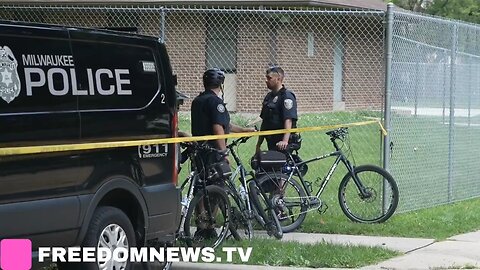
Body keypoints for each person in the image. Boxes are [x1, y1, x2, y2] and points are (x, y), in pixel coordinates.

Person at [190, 67, 254, 240]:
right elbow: (218, 128)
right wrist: (223, 151)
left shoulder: (197, 101)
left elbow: (226, 124)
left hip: (198, 151)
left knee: (200, 187)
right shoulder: (216, 102)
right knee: (218, 187)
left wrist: (244, 130)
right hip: (213, 152)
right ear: (221, 84)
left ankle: (200, 225)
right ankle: (209, 225)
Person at [256, 66, 298, 153]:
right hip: (271, 140)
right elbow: (265, 121)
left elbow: (288, 119)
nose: (266, 80)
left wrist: (285, 141)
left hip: (282, 142)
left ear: (278, 79)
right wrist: (258, 144)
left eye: (269, 78)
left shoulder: (286, 96)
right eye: (266, 78)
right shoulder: (268, 97)